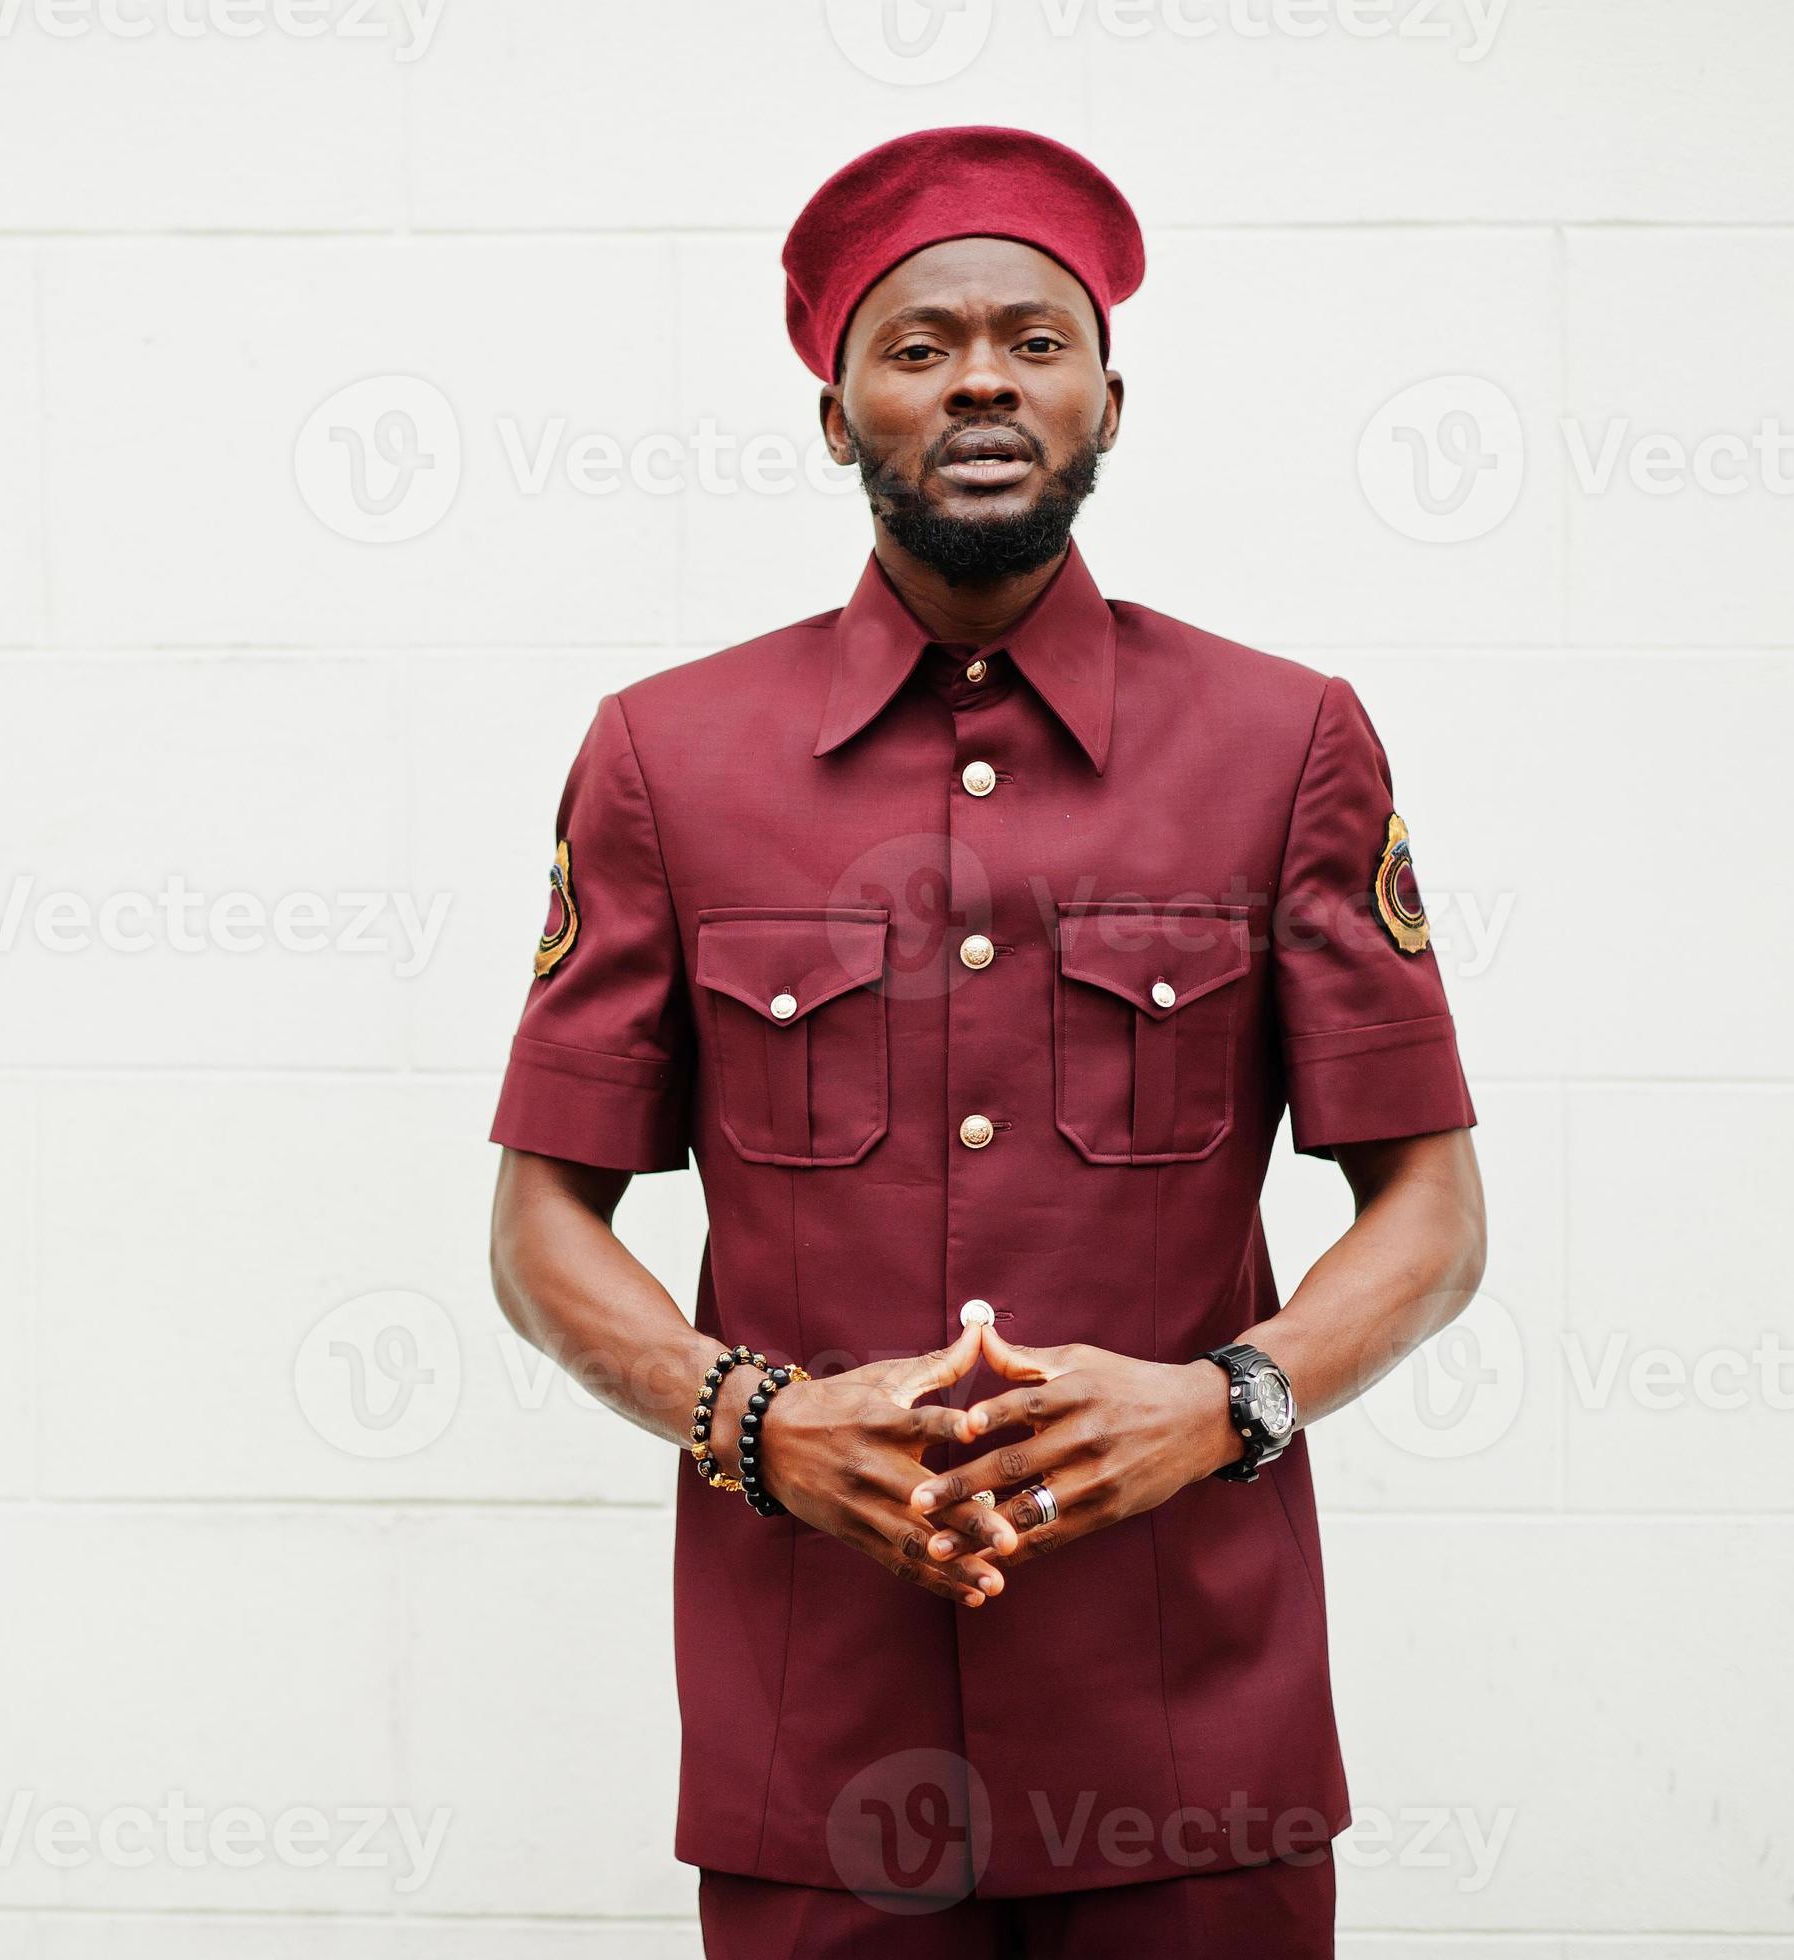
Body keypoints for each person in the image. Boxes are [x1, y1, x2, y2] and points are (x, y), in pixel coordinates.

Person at [484, 126, 1489, 1958]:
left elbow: (1430, 1213)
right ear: (834, 411)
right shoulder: (663, 758)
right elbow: (540, 1230)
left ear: (1110, 399)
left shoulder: (1285, 746)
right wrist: (754, 1426)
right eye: (919, 342)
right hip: (818, 1742)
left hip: (1196, 1745)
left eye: (1034, 339)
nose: (979, 380)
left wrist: (1219, 1409)